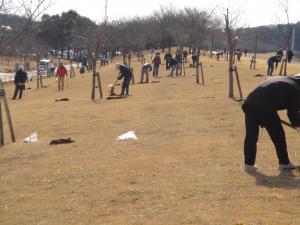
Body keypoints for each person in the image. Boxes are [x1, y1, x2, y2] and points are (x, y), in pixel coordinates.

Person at [242, 75, 300, 171]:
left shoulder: (283, 79)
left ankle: (248, 165)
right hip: (265, 108)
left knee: (251, 136)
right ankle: (284, 163)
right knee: (278, 136)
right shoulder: (296, 89)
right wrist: (298, 126)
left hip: (249, 103)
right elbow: (292, 112)